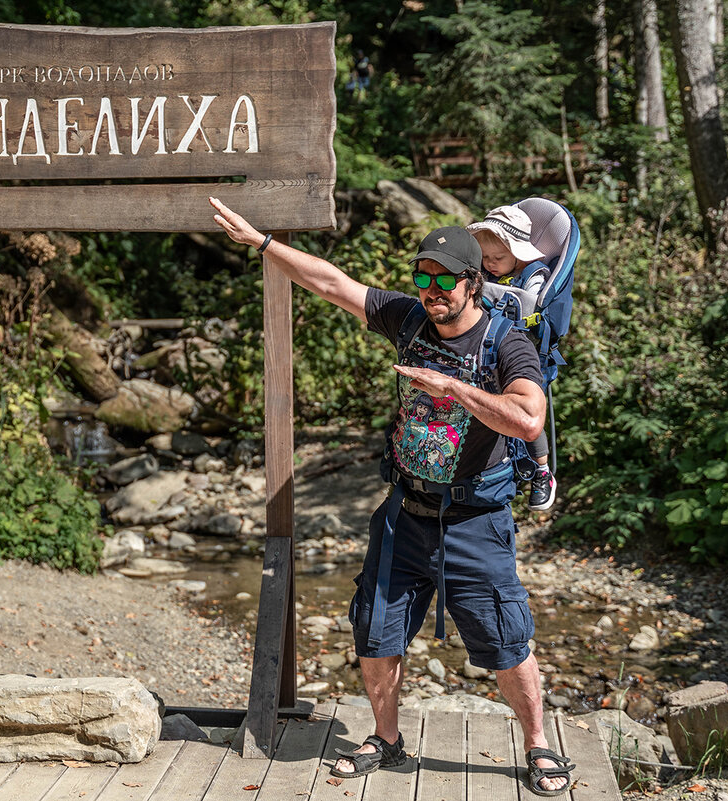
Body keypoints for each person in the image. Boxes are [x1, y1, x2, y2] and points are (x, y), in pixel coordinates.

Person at [208, 197, 574, 797]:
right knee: (376, 632)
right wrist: (264, 244)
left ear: (472, 282)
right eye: (423, 277)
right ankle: (388, 739)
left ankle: (537, 744)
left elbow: (528, 419)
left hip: (476, 519)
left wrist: (452, 387)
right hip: (404, 512)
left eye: (444, 280)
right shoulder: (406, 319)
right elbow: (332, 283)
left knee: (504, 640)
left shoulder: (507, 343)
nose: (432, 290)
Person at [467, 205, 557, 511]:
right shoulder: (485, 272)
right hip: (485, 351)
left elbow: (527, 304)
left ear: (517, 255)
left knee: (527, 417)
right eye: (485, 257)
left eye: (498, 259)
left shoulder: (533, 274)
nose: (490, 264)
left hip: (522, 354)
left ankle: (543, 471)